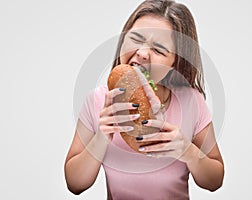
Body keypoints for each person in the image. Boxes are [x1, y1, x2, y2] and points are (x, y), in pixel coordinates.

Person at [64, 0, 224, 199]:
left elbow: (215, 180)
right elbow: (75, 184)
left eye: (158, 50)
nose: (141, 53)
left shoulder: (191, 102)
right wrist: (101, 138)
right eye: (135, 39)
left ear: (175, 63)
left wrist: (188, 151)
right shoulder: (98, 101)